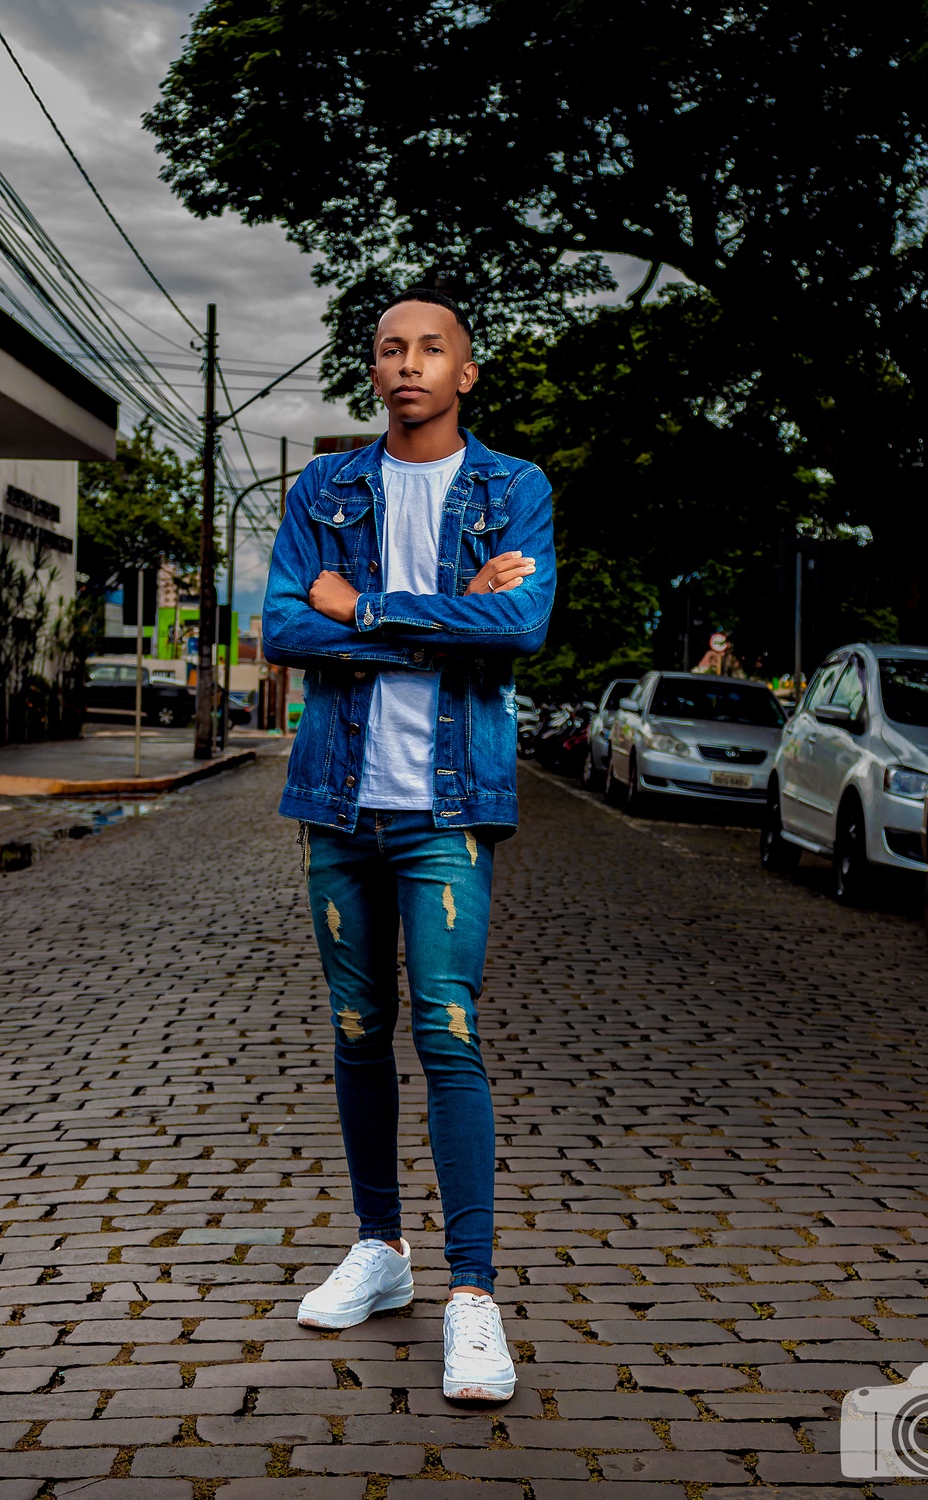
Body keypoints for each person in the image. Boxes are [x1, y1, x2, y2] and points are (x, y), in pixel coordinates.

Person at [262, 287, 555, 1401]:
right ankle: (381, 1249)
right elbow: (282, 624)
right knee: (356, 1030)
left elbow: (520, 625)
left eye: (432, 349)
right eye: (391, 348)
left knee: (448, 1030)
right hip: (339, 805)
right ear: (374, 369)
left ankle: (473, 1295)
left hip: (447, 810)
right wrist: (442, 614)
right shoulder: (324, 489)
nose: (409, 364)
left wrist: (363, 607)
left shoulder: (512, 488)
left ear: (464, 373)